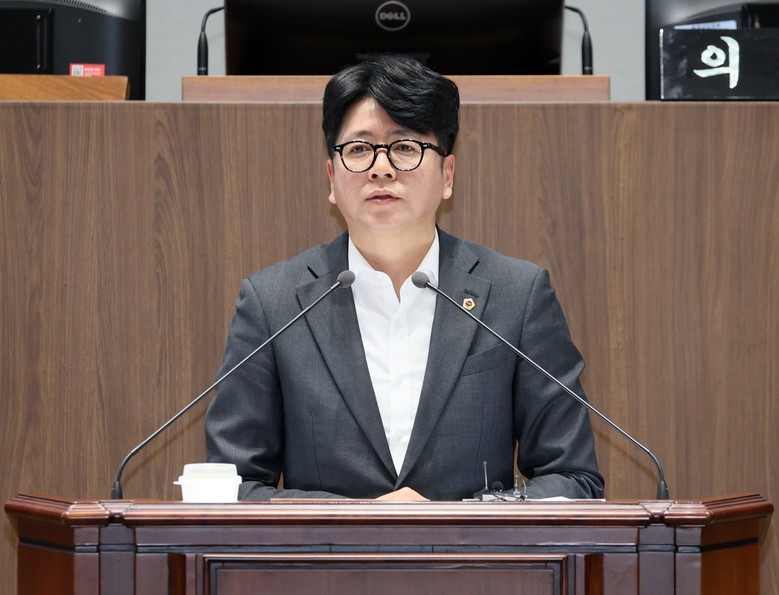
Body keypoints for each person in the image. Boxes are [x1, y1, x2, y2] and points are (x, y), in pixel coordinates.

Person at [205, 55, 604, 501]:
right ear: (331, 178)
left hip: (474, 551)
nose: (381, 168)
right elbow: (229, 487)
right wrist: (358, 520)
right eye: (359, 149)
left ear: (447, 175)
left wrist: (455, 519)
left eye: (406, 147)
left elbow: (574, 479)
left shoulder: (517, 295)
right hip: (327, 551)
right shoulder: (273, 304)